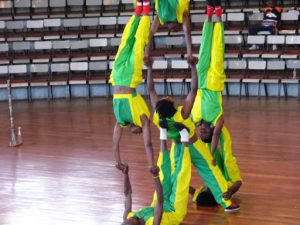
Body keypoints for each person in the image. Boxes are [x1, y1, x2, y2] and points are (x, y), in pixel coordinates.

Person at [146, 55, 240, 212]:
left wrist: (149, 69)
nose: (167, 96)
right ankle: (226, 202)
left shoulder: (158, 117)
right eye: (167, 98)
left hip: (177, 149)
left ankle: (166, 204)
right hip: (194, 146)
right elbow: (194, 89)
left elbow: (150, 89)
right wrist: (193, 67)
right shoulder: (182, 113)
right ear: (171, 105)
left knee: (174, 176)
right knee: (211, 171)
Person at [191, 8, 242, 202]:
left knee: (204, 48)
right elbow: (216, 135)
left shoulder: (193, 118)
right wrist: (211, 154)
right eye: (206, 133)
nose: (203, 131)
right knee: (217, 48)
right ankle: (219, 15)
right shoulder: (217, 120)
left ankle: (209, 14)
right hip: (214, 82)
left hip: (201, 80)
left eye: (201, 133)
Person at [110, 11, 156, 173]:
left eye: (136, 134)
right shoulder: (143, 117)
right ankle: (145, 12)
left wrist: (118, 162)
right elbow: (148, 144)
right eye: (140, 133)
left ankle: (137, 13)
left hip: (117, 76)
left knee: (125, 42)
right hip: (129, 78)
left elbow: (115, 143)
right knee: (138, 43)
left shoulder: (121, 121)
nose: (137, 134)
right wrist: (151, 165)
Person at [119, 138, 192, 225]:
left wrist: (125, 174)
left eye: (124, 222)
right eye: (128, 222)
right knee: (181, 176)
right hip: (174, 211)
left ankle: (163, 135)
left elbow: (127, 193)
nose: (127, 219)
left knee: (163, 173)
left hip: (157, 203)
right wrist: (155, 176)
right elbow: (160, 201)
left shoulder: (130, 217)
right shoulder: (153, 223)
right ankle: (184, 137)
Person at [143, 0, 193, 65]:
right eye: (175, 29)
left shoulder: (162, 18)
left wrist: (146, 55)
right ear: (179, 24)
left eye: (171, 30)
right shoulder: (180, 17)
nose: (172, 30)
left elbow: (150, 33)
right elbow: (187, 32)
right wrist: (189, 54)